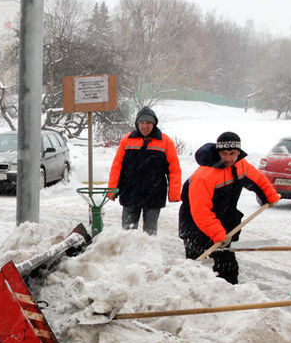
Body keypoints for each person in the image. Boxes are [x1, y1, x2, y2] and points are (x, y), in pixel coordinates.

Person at [178, 131, 281, 284]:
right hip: (195, 226)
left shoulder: (240, 165)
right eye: (224, 154)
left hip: (224, 222)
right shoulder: (204, 176)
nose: (228, 158)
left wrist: (270, 196)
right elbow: (200, 211)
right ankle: (192, 293)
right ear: (218, 152)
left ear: (239, 152)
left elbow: (258, 180)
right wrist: (217, 234)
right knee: (196, 268)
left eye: (232, 153)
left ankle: (228, 291)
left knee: (227, 268)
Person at [106, 106, 182, 234]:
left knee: (149, 234)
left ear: (154, 124)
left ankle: (147, 248)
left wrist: (174, 193)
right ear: (137, 124)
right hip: (130, 193)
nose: (145, 126)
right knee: (127, 233)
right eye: (142, 122)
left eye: (148, 123)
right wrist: (112, 190)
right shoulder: (127, 140)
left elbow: (174, 170)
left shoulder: (165, 142)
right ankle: (129, 247)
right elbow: (117, 166)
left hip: (154, 194)